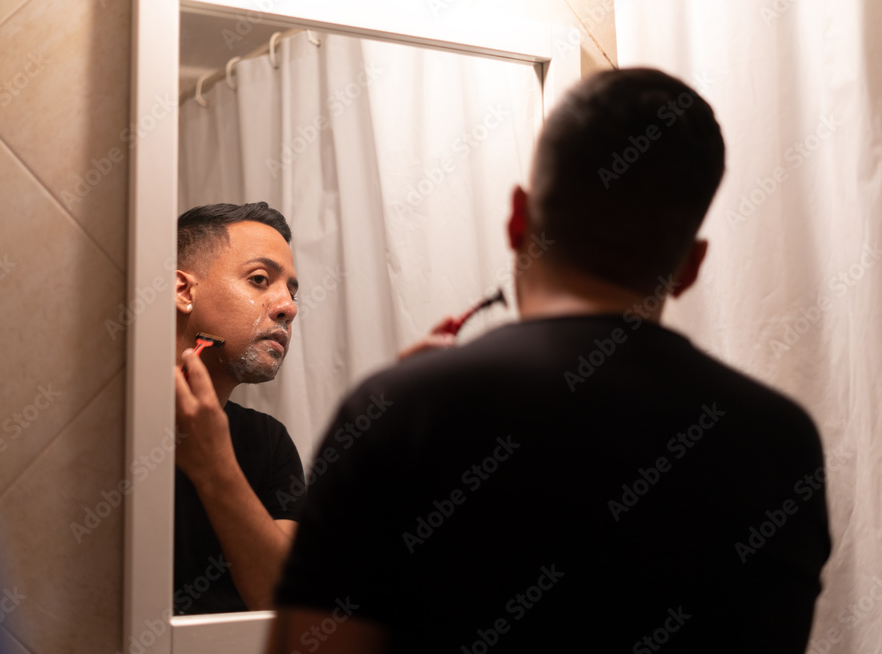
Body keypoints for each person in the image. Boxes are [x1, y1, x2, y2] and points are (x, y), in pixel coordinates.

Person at [265, 68, 831, 653]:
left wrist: (398, 410)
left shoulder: (398, 414)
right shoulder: (781, 440)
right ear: (690, 266)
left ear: (518, 219)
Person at [172, 202, 304, 614]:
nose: (288, 307)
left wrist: (214, 466)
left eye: (292, 291)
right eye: (260, 279)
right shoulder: (109, 421)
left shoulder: (269, 442)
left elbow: (285, 605)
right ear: (183, 291)